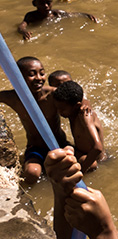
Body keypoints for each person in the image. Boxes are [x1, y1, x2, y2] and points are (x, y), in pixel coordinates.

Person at [0, 56, 68, 184]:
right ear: (17, 77)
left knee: (81, 167)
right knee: (32, 174)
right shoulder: (13, 98)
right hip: (36, 147)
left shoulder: (53, 95)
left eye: (42, 73)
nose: (39, 78)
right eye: (32, 74)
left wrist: (85, 103)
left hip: (59, 144)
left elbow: (76, 98)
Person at [51, 80, 105, 172]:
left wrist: (81, 170)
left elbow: (97, 148)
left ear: (77, 106)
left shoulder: (84, 117)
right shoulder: (72, 109)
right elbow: (84, 100)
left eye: (62, 109)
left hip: (94, 159)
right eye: (58, 108)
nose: (60, 112)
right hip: (80, 152)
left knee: (88, 163)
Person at [17, 0, 97, 40]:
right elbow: (21, 26)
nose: (46, 6)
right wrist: (23, 31)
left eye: (48, 3)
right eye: (42, 3)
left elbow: (72, 14)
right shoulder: (32, 16)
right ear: (34, 4)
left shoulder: (56, 13)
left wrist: (86, 15)